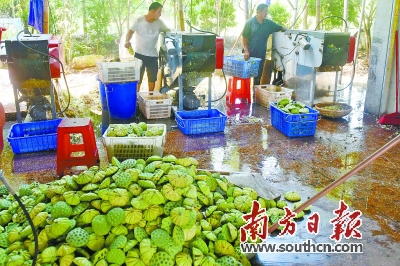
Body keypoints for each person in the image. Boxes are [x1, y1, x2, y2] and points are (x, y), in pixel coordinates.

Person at [124, 2, 170, 92]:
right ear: (152, 11)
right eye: (159, 12)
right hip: (139, 54)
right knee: (138, 78)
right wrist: (127, 41)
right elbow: (130, 32)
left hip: (152, 56)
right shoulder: (139, 20)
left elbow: (168, 31)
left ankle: (150, 97)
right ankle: (136, 98)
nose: (160, 15)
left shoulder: (159, 22)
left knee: (152, 78)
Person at [242, 3, 287, 86]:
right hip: (250, 55)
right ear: (259, 12)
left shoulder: (269, 24)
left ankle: (255, 95)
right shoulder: (250, 23)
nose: (266, 13)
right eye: (265, 11)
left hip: (261, 55)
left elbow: (280, 27)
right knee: (247, 77)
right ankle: (246, 96)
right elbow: (244, 36)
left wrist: (290, 31)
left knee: (258, 77)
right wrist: (246, 50)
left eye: (267, 11)